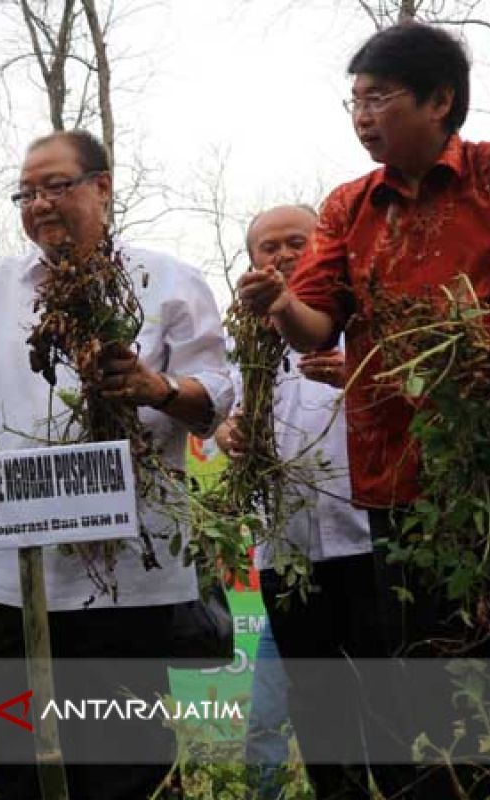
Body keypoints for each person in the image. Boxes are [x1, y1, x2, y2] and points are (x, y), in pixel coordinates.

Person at [0, 129, 233, 800]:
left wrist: (155, 388)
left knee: (124, 764)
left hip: (129, 570)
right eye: (27, 193)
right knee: (17, 763)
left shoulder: (168, 280)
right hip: (19, 575)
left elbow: (214, 394)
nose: (39, 204)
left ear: (103, 185)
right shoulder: (0, 286)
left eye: (56, 186)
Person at [237, 22, 490, 798]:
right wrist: (281, 303)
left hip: (478, 472)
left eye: (379, 99)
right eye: (354, 102)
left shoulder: (486, 180)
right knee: (427, 671)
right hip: (395, 484)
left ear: (440, 100)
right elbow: (317, 321)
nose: (361, 116)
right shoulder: (349, 208)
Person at [219, 204, 379, 799]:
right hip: (286, 554)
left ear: (323, 248)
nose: (282, 254)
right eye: (267, 246)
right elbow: (224, 417)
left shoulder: (362, 317)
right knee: (315, 699)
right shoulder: (245, 343)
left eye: (296, 242)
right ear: (251, 260)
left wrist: (359, 375)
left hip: (365, 539)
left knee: (384, 690)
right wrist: (227, 432)